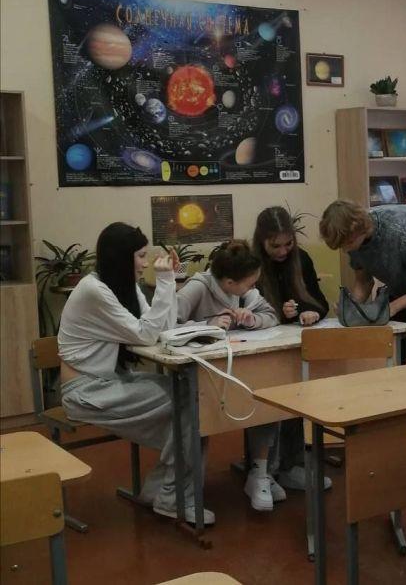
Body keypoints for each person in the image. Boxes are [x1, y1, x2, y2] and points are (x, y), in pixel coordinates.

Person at [58, 223, 214, 525]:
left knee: (194, 403)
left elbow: (163, 329)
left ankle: (162, 492)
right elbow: (146, 335)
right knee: (193, 407)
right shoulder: (94, 290)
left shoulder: (123, 286)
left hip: (110, 382)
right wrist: (165, 280)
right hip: (85, 392)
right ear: (121, 257)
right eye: (140, 256)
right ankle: (171, 497)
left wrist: (167, 281)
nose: (145, 263)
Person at [176, 239, 284, 512]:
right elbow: (167, 324)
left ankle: (260, 472)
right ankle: (188, 490)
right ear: (228, 282)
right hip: (202, 377)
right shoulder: (198, 288)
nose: (253, 288)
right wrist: (207, 325)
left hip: (238, 369)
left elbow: (271, 315)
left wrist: (252, 319)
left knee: (267, 399)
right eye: (249, 284)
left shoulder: (244, 292)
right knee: (202, 420)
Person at [319, 200, 406, 362]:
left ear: (358, 229)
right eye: (341, 246)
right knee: (398, 348)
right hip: (402, 283)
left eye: (348, 244)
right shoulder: (352, 240)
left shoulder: (400, 231)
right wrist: (351, 309)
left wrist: (394, 306)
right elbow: (364, 282)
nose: (346, 250)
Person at [253, 206, 331, 491]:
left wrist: (310, 313)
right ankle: (262, 468)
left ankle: (290, 464)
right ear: (261, 240)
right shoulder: (252, 263)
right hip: (260, 349)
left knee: (296, 399)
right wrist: (278, 311)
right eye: (275, 246)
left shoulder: (302, 259)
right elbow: (244, 310)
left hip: (292, 345)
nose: (283, 251)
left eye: (288, 244)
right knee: (266, 406)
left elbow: (319, 302)